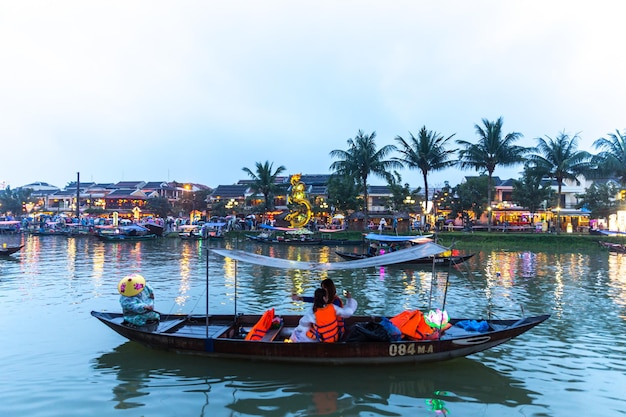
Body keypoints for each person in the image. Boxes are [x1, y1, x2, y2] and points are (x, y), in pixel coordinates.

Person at [290, 287, 357, 343]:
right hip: (334, 338)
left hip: (324, 341)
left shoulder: (313, 313)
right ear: (324, 298)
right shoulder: (333, 307)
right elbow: (348, 312)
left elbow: (302, 323)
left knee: (298, 331)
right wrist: (349, 299)